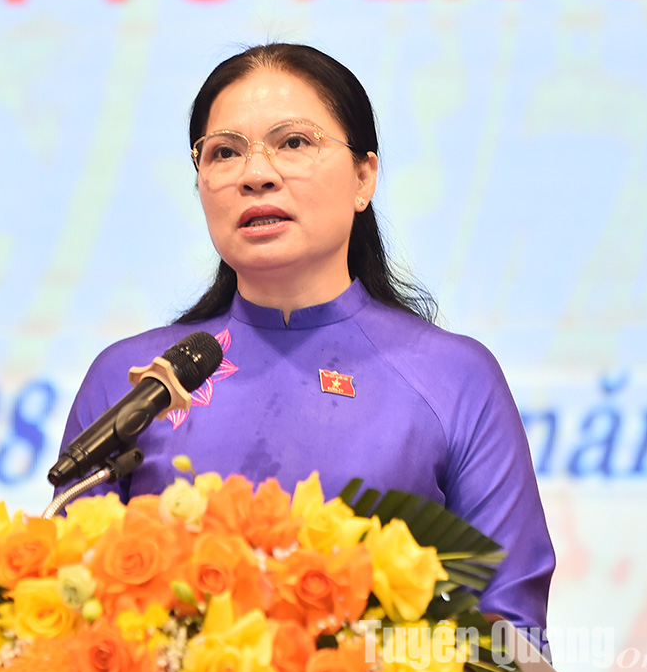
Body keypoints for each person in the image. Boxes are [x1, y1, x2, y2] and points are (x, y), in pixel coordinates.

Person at [56, 43, 555, 635]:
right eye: (224, 152)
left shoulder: (454, 378)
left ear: (364, 177)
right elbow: (69, 617)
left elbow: (511, 635)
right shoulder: (136, 380)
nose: (256, 175)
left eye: (293, 143)